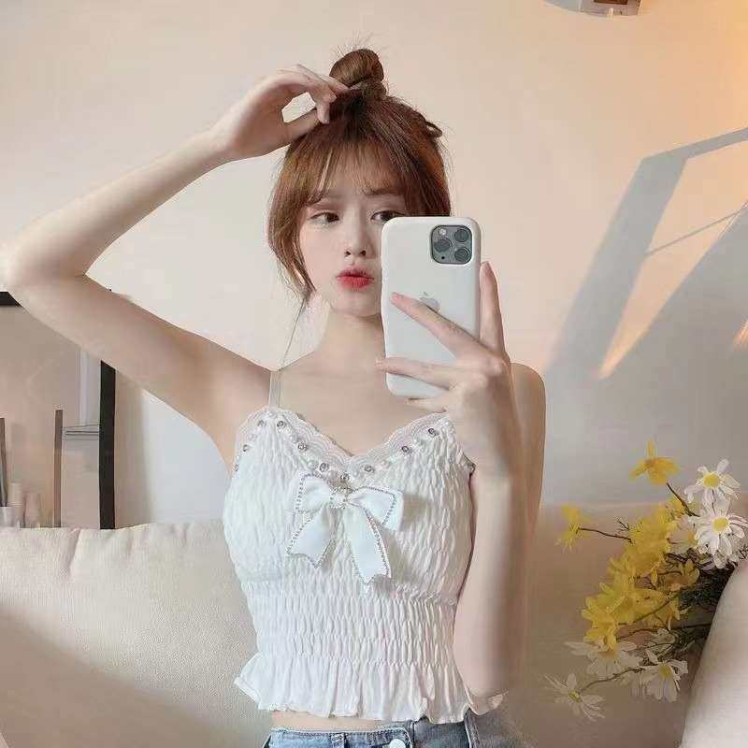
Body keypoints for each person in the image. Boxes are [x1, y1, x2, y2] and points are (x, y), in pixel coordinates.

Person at [1, 45, 545, 748]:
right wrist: (215, 146)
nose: (357, 243)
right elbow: (34, 272)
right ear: (292, 233)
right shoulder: (240, 398)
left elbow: (487, 674)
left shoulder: (501, 392)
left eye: (387, 216)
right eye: (326, 215)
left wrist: (498, 471)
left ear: (427, 232)